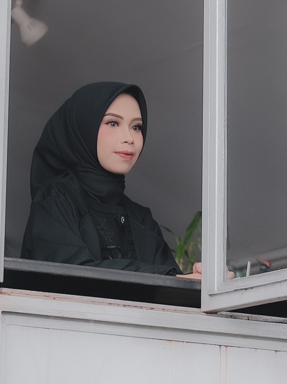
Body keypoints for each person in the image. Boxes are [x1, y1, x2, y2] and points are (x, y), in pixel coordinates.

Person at [21, 81, 202, 278]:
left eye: (136, 127)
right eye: (113, 123)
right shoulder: (56, 201)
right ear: (84, 127)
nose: (129, 138)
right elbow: (71, 276)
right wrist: (173, 279)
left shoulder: (141, 219)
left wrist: (196, 281)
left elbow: (170, 284)